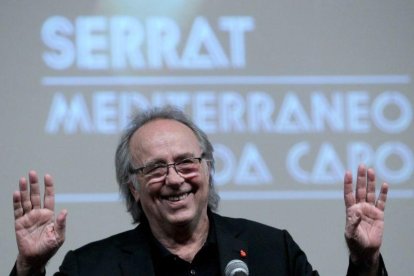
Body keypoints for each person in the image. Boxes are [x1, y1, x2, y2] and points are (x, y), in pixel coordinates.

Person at [11, 106, 388, 276]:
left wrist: (365, 262)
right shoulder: (90, 267)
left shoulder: (274, 252)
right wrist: (29, 268)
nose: (175, 179)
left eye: (186, 162)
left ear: (207, 169)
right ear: (134, 187)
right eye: (156, 168)